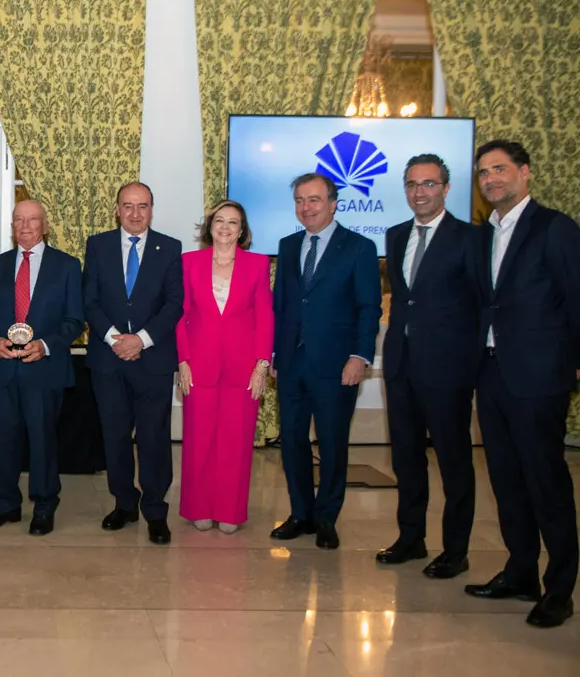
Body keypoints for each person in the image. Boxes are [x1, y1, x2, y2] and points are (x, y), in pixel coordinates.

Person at [464, 140, 579, 628]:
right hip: (490, 374)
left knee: (545, 482)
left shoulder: (553, 227)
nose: (491, 180)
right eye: (484, 173)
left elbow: (577, 297)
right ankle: (520, 571)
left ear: (525, 173)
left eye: (500, 169)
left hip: (538, 376)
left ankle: (560, 589)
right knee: (507, 481)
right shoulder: (482, 235)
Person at [377, 154, 478, 580]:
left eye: (429, 184)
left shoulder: (470, 238)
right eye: (413, 184)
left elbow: (479, 304)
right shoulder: (397, 235)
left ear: (446, 189)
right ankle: (411, 538)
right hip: (401, 365)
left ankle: (456, 550)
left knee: (454, 461)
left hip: (447, 368)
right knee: (406, 458)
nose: (420, 192)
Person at [271, 173, 381, 550]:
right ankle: (301, 513)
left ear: (334, 203)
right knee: (292, 442)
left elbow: (370, 307)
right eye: (300, 200)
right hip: (290, 363)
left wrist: (360, 356)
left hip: (337, 365)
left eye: (314, 200)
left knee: (333, 443)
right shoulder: (287, 246)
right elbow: (281, 305)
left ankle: (326, 517)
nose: (307, 207)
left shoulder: (359, 248)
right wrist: (273, 353)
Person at [0, 199, 84, 536]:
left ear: (44, 225)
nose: (25, 226)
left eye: (32, 220)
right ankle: (5, 505)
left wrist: (46, 345)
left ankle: (44, 506)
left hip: (44, 368)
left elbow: (75, 319)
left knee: (42, 441)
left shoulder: (66, 266)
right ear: (12, 226)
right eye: (18, 220)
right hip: (3, 368)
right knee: (3, 440)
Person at [82, 182, 182, 544]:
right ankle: (124, 503)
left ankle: (155, 510)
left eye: (142, 206)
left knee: (154, 439)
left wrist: (140, 339)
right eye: (128, 206)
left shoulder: (170, 248)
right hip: (108, 360)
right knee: (115, 436)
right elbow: (89, 299)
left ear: (152, 209)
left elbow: (174, 303)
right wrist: (114, 338)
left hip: (151, 360)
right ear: (117, 209)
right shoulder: (98, 245)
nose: (135, 214)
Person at [174, 200, 272, 535]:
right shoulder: (189, 262)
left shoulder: (258, 265)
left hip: (243, 369)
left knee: (236, 440)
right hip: (198, 365)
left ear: (242, 230)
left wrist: (261, 365)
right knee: (199, 440)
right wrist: (182, 361)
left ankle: (230, 509)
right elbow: (180, 315)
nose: (225, 227)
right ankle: (199, 507)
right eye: (219, 220)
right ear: (209, 226)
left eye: (233, 222)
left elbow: (265, 317)